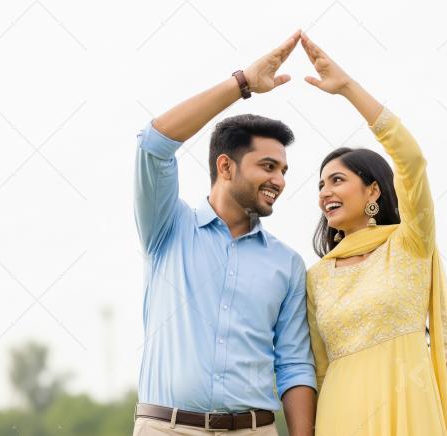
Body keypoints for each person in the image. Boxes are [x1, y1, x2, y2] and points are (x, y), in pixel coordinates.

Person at [132, 31, 316, 436]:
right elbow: (154, 143)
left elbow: (294, 364)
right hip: (168, 428)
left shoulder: (286, 264)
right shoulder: (167, 227)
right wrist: (242, 83)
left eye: (283, 170)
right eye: (268, 166)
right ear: (226, 166)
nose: (279, 180)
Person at [300, 33, 447, 436]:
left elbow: (412, 161)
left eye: (338, 180)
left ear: (374, 190)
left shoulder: (411, 244)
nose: (326, 191)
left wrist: (347, 88)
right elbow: (319, 370)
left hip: (409, 411)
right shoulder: (316, 278)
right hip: (340, 417)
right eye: (321, 185)